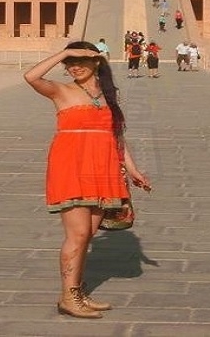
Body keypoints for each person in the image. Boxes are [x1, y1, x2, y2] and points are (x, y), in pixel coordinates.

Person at [24, 41, 151, 319]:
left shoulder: (107, 96)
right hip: (71, 166)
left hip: (102, 168)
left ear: (97, 63)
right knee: (78, 234)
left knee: (88, 234)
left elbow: (116, 137)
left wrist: (133, 169)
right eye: (70, 63)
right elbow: (31, 76)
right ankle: (68, 298)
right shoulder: (61, 91)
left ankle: (77, 292)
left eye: (81, 60)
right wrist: (65, 52)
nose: (74, 66)